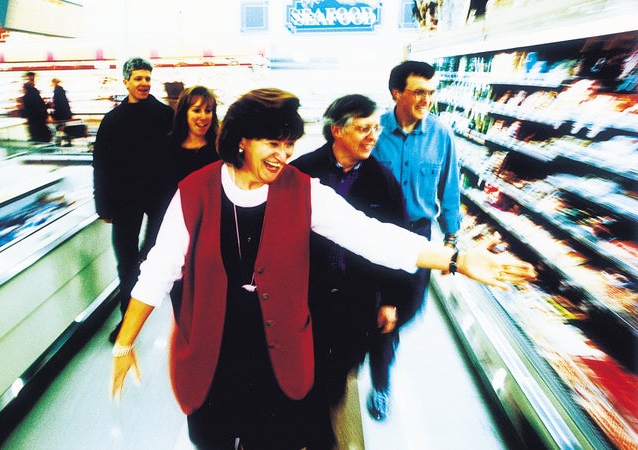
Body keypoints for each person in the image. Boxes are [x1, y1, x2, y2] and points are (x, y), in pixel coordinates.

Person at [109, 88, 536, 450]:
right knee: (212, 440)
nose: (284, 156)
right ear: (241, 140)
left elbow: (373, 236)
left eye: (289, 144)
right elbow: (158, 269)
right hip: (211, 355)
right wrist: (124, 344)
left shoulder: (303, 193)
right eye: (272, 144)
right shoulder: (194, 193)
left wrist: (457, 259)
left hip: (278, 355)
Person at [290, 94, 414, 445]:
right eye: (363, 128)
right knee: (305, 366)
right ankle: (316, 433)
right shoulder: (302, 171)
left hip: (356, 296)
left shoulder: (383, 181)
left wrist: (390, 300)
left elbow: (395, 241)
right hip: (307, 291)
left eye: (376, 128)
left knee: (340, 367)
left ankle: (325, 407)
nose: (373, 136)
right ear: (336, 132)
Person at [370, 60, 462, 419]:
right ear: (397, 92)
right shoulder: (374, 131)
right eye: (419, 92)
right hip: (378, 234)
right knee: (379, 312)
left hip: (420, 236)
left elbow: (450, 188)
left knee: (407, 309)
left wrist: (452, 238)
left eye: (431, 92)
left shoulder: (441, 135)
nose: (427, 99)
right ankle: (381, 382)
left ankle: (386, 339)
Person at [92, 57, 174, 343]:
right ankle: (126, 321)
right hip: (125, 199)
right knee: (125, 262)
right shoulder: (113, 120)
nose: (143, 83)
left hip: (160, 197)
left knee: (148, 257)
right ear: (125, 81)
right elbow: (101, 164)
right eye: (138, 78)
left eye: (147, 78)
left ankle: (139, 303)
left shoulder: (165, 115)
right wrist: (102, 205)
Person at [20, 71, 52, 143]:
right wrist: (46, 107)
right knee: (41, 137)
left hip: (34, 119)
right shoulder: (32, 91)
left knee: (37, 137)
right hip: (37, 119)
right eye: (32, 79)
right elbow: (38, 105)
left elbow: (32, 105)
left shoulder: (30, 91)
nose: (33, 81)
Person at [50, 77, 73, 146]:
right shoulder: (61, 90)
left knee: (59, 127)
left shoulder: (57, 90)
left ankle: (59, 141)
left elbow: (57, 102)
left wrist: (52, 104)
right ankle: (67, 140)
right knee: (64, 127)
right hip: (65, 113)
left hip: (60, 113)